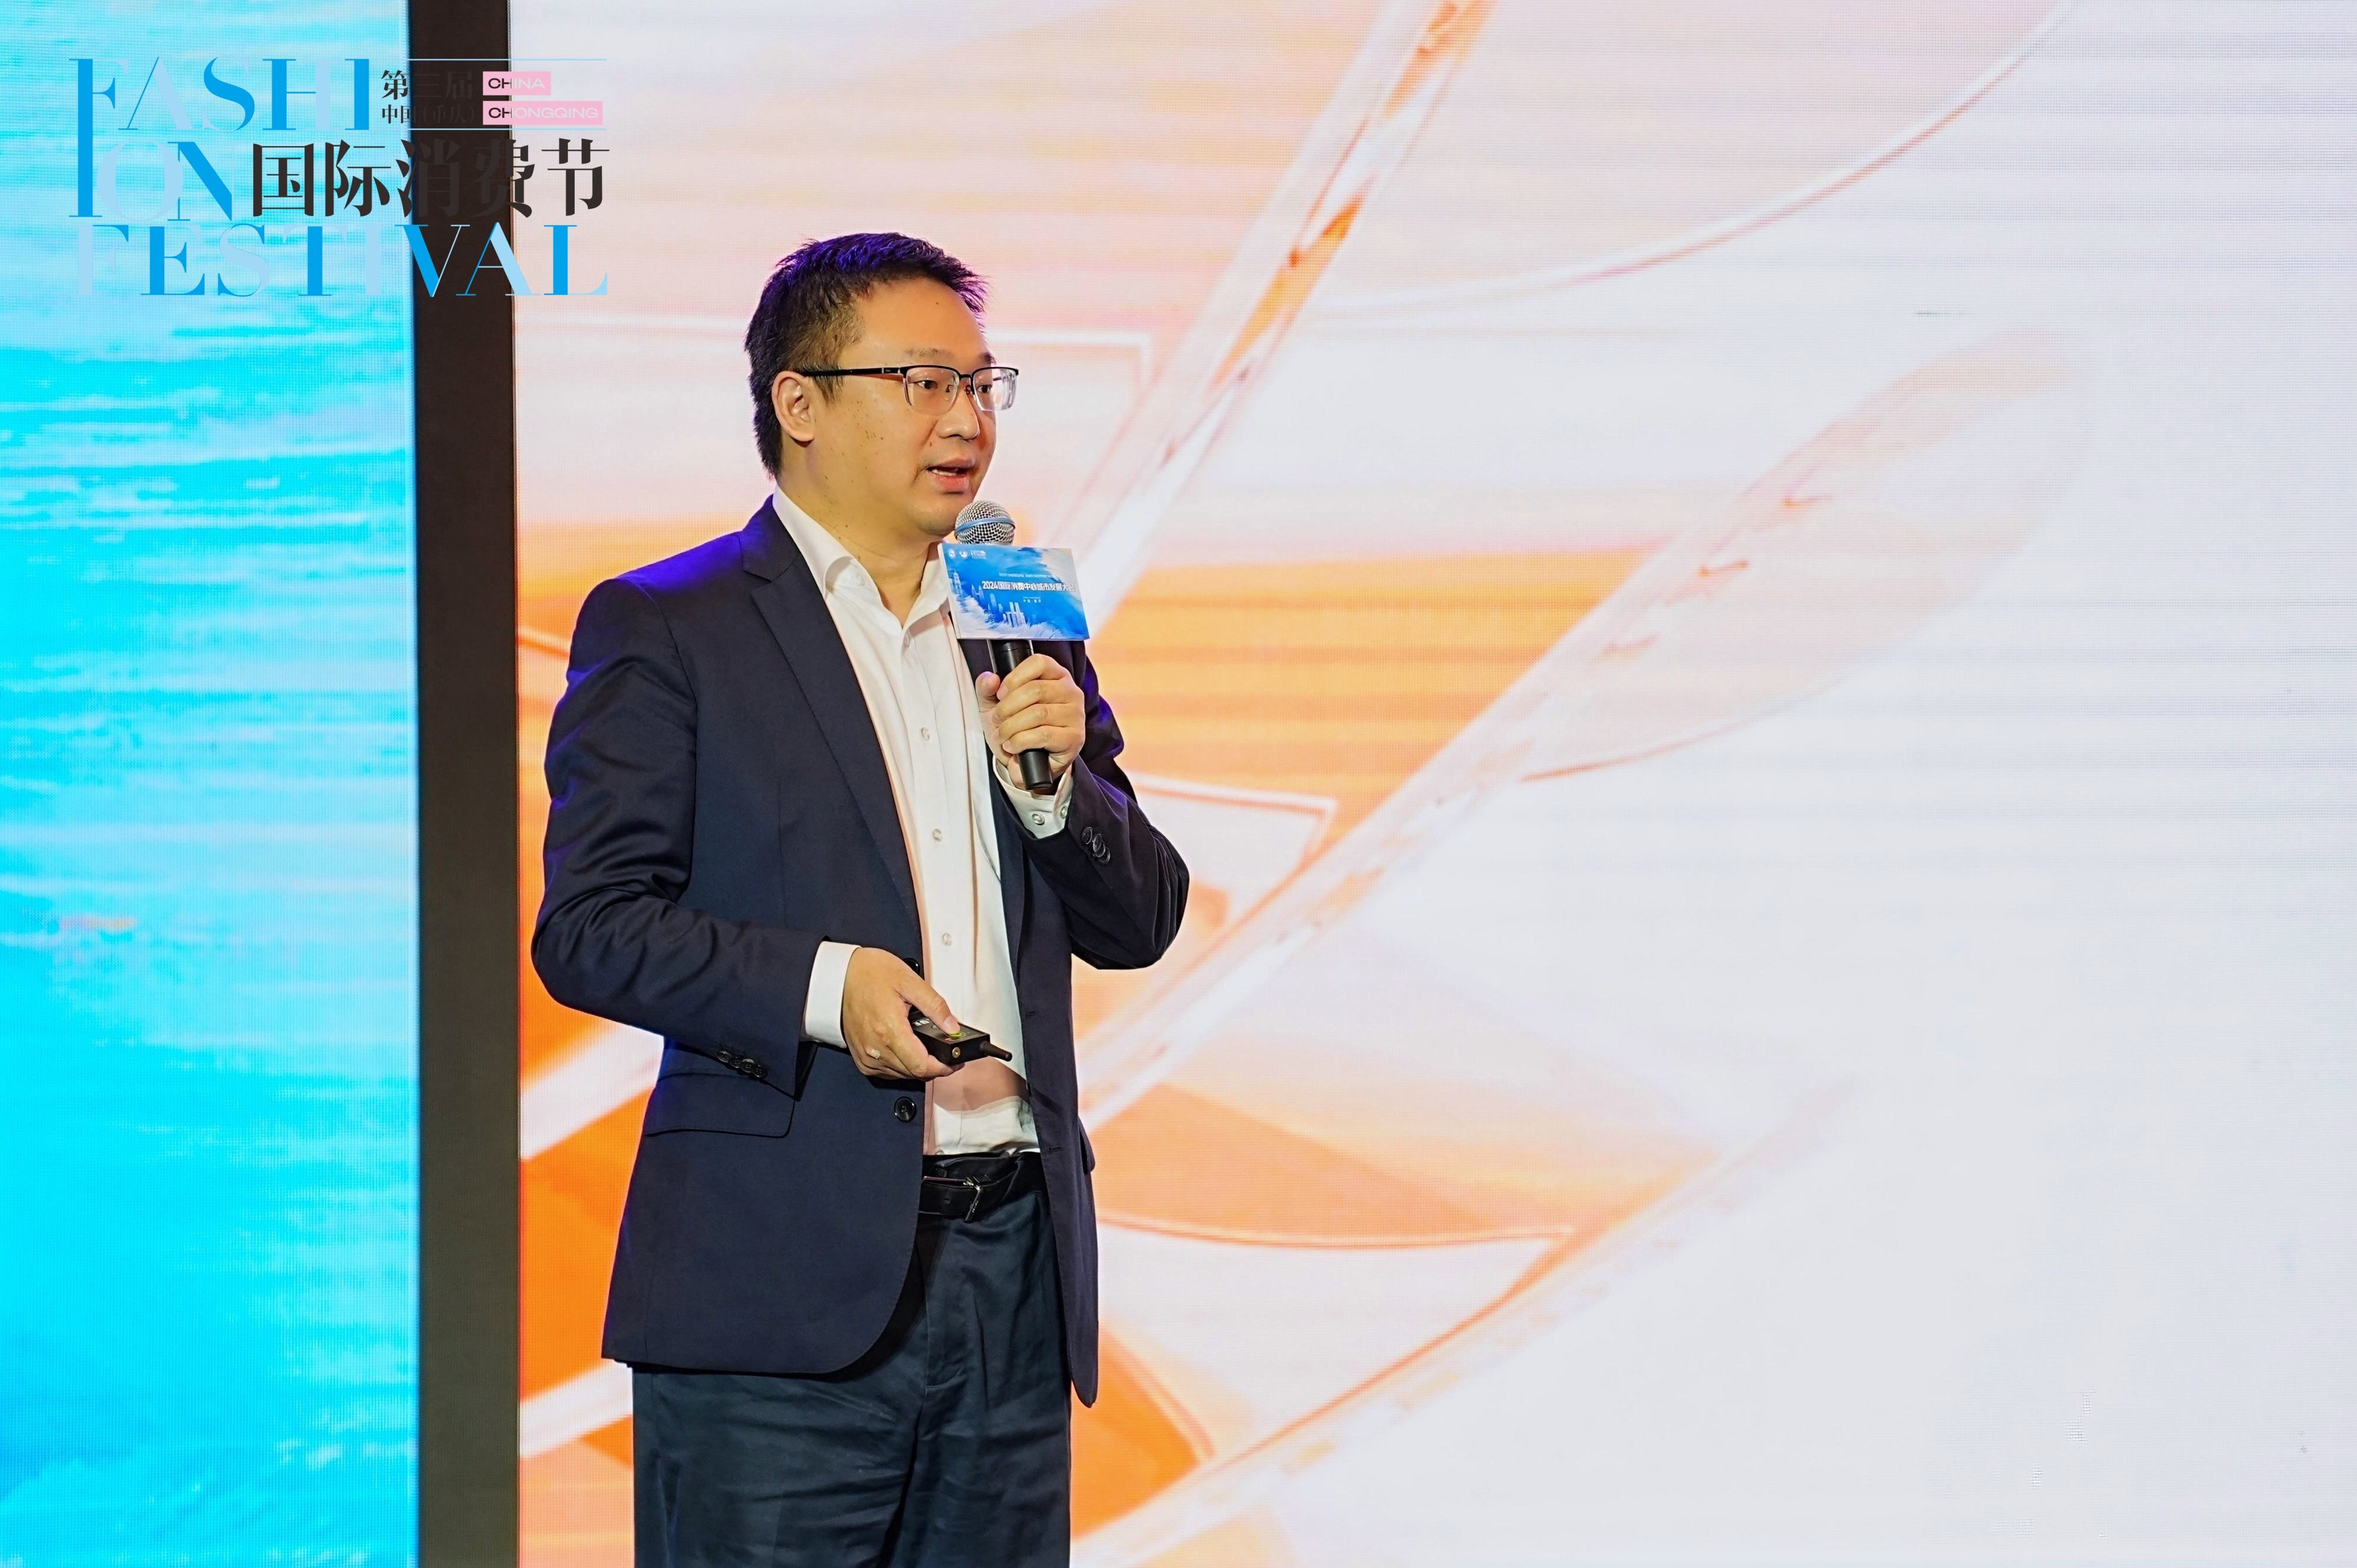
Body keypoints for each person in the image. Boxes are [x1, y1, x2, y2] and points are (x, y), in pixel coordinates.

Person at [532, 232, 1189, 1567]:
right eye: (922, 381)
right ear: (800, 402)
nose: (967, 419)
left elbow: (1140, 922)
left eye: (983, 384)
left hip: (1011, 1276)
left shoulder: (1021, 619)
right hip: (775, 1289)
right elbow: (590, 928)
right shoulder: (673, 624)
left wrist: (1056, 795)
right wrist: (830, 991)